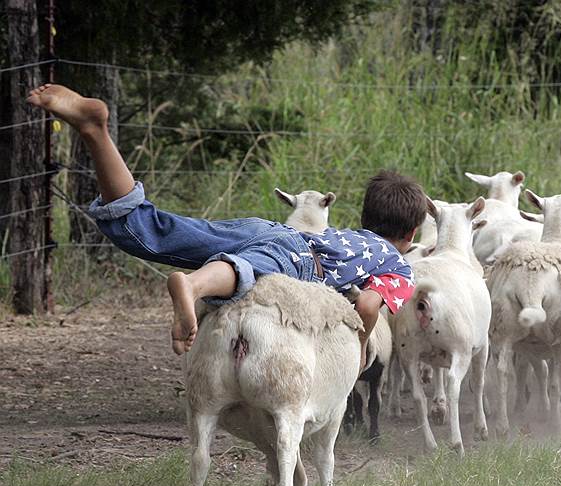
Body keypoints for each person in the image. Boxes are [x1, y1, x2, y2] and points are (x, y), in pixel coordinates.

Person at [26, 84, 424, 371]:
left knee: (156, 229)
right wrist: (357, 348)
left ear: (367, 218)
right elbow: (370, 305)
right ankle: (194, 286)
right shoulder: (399, 265)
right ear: (410, 236)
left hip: (267, 228)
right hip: (302, 260)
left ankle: (95, 131)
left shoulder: (353, 236)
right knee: (247, 268)